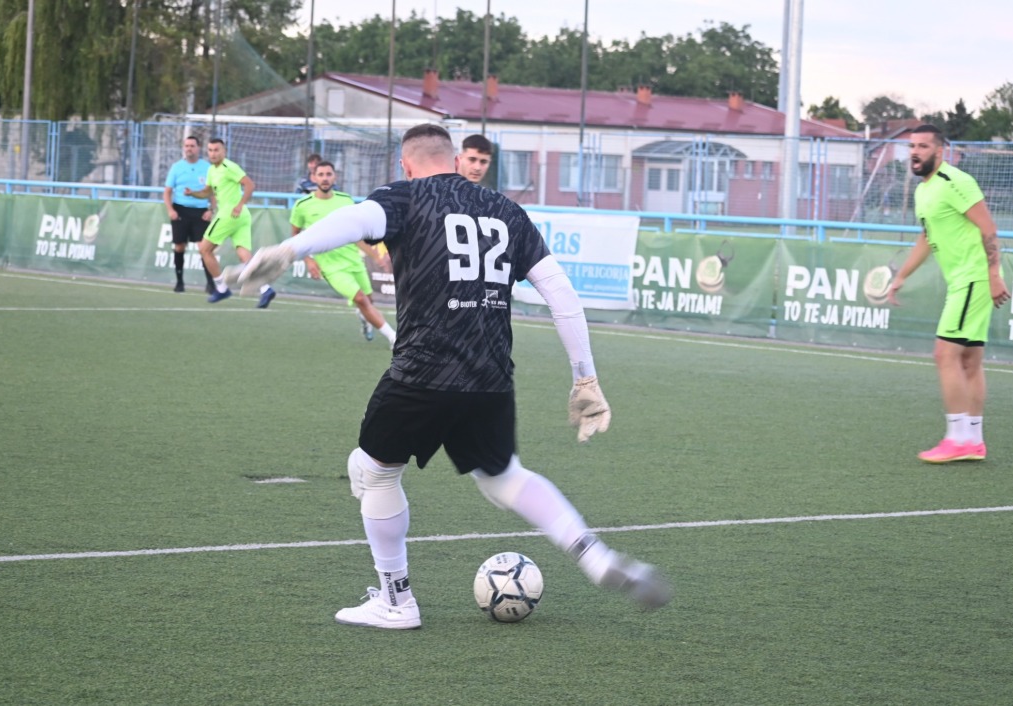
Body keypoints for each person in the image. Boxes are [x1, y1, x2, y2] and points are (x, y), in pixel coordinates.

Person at [232, 123, 671, 629]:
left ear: (405, 164)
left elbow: (354, 220)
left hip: (422, 371)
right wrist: (585, 379)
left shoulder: (406, 196)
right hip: (490, 376)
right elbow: (562, 295)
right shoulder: (507, 210)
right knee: (503, 477)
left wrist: (291, 249)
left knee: (374, 471)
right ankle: (594, 556)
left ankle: (396, 601)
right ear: (456, 159)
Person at [887, 124, 1010, 463]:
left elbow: (988, 227)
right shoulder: (923, 191)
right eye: (912, 146)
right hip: (964, 281)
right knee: (969, 361)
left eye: (923, 146)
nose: (915, 152)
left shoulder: (955, 181)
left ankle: (957, 439)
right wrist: (902, 275)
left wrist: (993, 275)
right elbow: (927, 237)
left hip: (974, 279)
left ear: (939, 152)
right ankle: (974, 441)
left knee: (944, 354)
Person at [290, 161, 397, 347]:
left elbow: (356, 235)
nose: (325, 178)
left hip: (353, 260)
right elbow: (296, 236)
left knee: (368, 300)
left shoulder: (346, 200)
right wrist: (309, 260)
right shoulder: (302, 205)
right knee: (360, 299)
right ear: (313, 178)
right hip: (331, 267)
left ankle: (364, 317)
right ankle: (394, 338)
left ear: (335, 177)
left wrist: (376, 256)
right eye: (320, 175)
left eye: (328, 174)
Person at [185, 138, 276, 308]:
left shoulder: (229, 167)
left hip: (229, 214)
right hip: (240, 217)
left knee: (204, 249)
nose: (213, 153)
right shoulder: (211, 170)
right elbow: (207, 192)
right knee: (244, 256)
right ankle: (265, 289)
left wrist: (240, 205)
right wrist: (193, 193)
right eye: (210, 150)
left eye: (216, 150)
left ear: (224, 151)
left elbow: (249, 185)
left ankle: (221, 288)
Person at [162, 135, 214, 293]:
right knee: (179, 246)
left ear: (198, 148)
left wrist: (211, 210)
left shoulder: (207, 167)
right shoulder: (177, 167)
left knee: (204, 247)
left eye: (192, 146)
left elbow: (212, 192)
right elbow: (167, 191)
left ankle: (210, 283)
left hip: (200, 212)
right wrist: (170, 210)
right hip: (180, 210)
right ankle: (179, 282)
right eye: (186, 146)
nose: (189, 149)